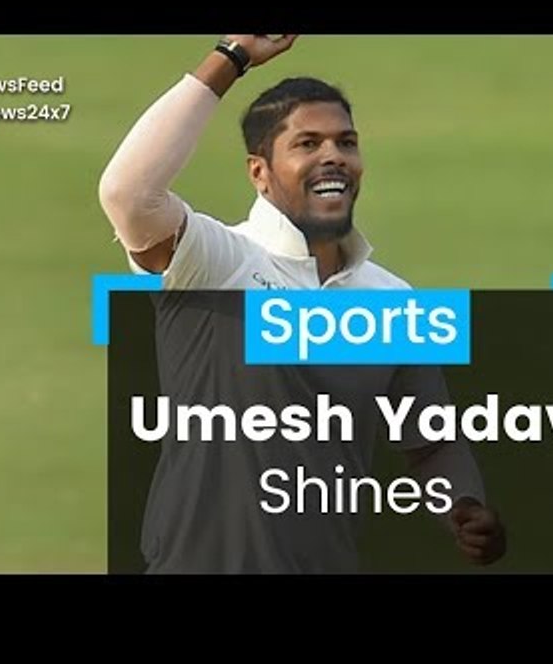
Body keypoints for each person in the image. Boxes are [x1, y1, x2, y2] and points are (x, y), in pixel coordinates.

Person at [99, 34, 506, 573]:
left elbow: (432, 444)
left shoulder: (389, 299)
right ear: (259, 173)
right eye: (307, 144)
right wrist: (232, 56)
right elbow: (128, 194)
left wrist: (464, 506)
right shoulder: (217, 262)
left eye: (346, 142)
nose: (333, 156)